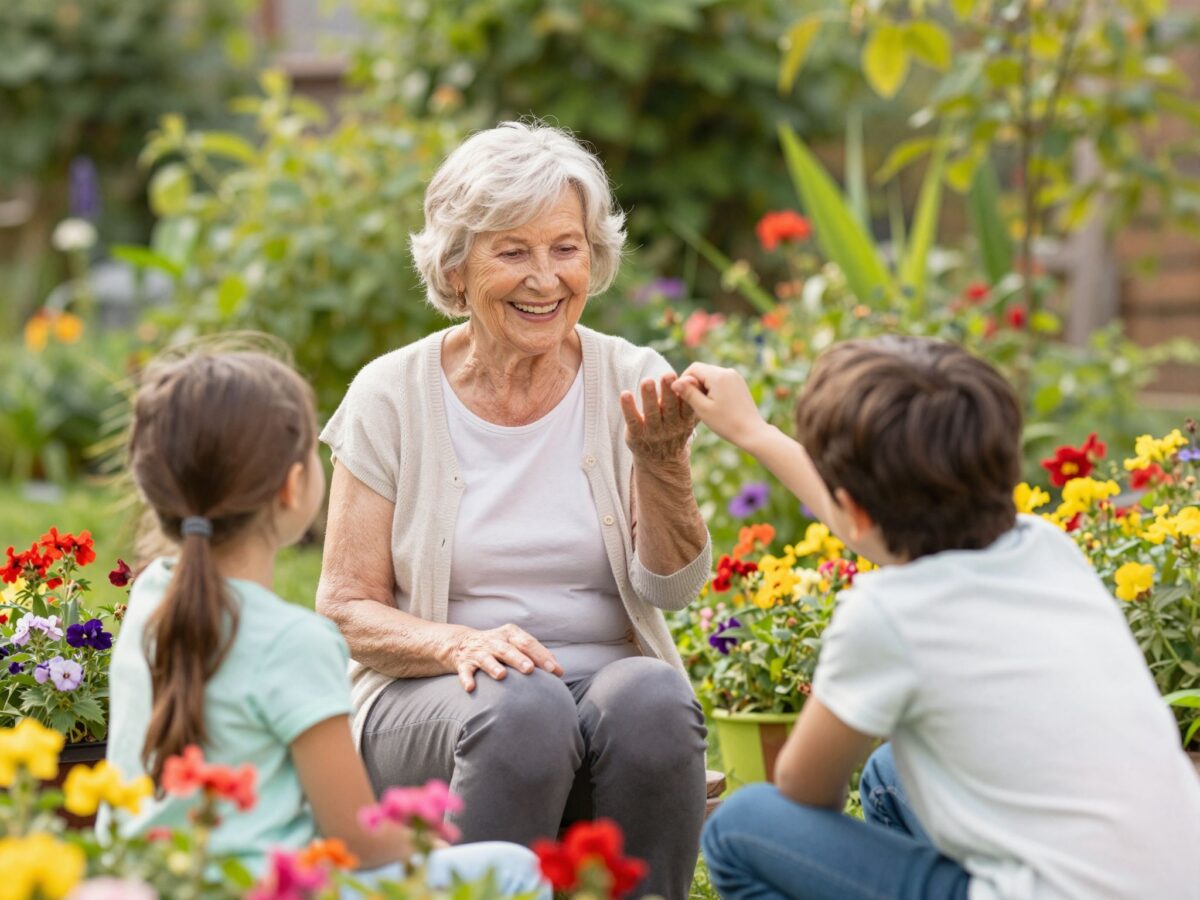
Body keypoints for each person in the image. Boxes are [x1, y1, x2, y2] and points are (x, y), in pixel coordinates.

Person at [316, 120, 711, 899]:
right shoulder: (390, 394)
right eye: (513, 251)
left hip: (602, 683)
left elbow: (670, 591)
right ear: (456, 268)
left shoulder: (631, 376)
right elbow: (345, 607)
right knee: (524, 706)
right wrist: (460, 643)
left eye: (566, 248)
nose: (545, 278)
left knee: (657, 697)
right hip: (433, 699)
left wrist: (661, 461)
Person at [673, 336, 1200, 899]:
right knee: (888, 777)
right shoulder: (1046, 547)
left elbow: (805, 793)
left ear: (853, 508)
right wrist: (755, 432)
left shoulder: (886, 615)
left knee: (741, 826)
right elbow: (878, 534)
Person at [103, 351, 545, 897]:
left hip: (147, 880)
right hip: (266, 888)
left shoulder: (149, 598)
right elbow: (356, 840)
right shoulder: (294, 641)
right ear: (292, 488)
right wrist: (430, 844)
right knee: (513, 867)